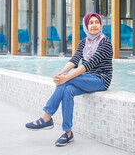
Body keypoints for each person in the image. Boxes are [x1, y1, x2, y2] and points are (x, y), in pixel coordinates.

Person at [25, 12, 113, 146]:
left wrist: (65, 78)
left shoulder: (105, 42)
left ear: (101, 25)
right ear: (86, 26)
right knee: (67, 90)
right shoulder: (83, 42)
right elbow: (74, 60)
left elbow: (88, 65)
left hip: (100, 80)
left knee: (66, 80)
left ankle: (47, 117)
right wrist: (61, 74)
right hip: (86, 79)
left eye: (97, 22)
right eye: (91, 22)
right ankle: (68, 133)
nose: (94, 25)